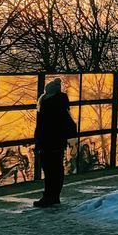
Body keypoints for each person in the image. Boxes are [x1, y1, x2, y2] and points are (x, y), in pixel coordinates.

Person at [33, 78, 77, 208]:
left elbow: (43, 126)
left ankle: (49, 196)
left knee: (50, 170)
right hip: (57, 142)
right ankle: (53, 196)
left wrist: (39, 140)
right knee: (56, 169)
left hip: (48, 142)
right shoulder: (61, 104)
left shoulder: (48, 104)